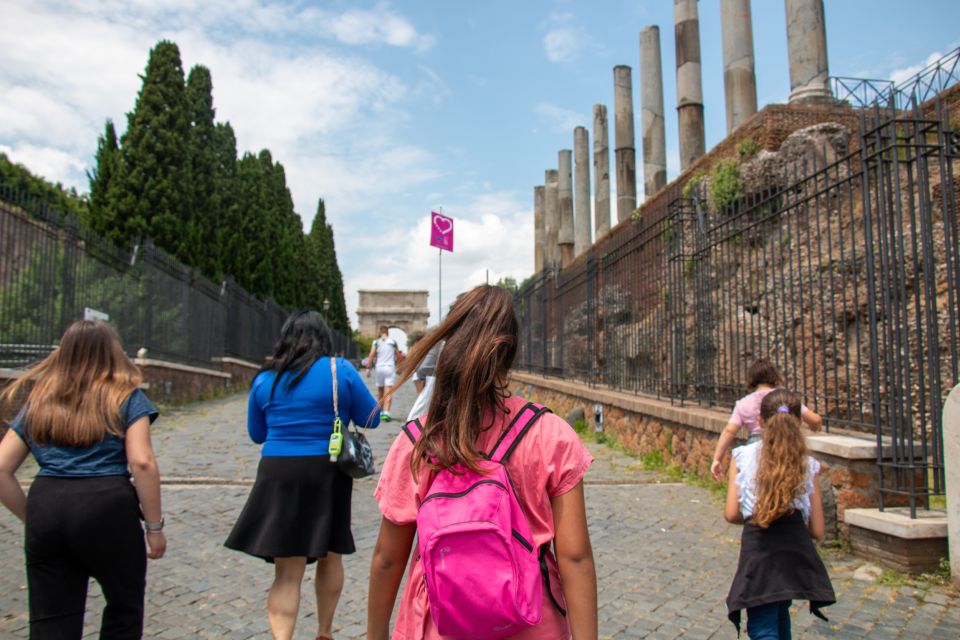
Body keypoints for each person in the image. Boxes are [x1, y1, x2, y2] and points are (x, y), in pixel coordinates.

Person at [366, 285, 598, 640]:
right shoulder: (552, 435)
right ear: (511, 353)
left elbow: (387, 558)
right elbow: (575, 557)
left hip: (435, 624)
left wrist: (375, 634)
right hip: (533, 623)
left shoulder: (417, 441)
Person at [0, 319, 166, 639]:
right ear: (112, 354)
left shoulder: (39, 401)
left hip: (47, 504)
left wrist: (30, 515)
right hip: (108, 508)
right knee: (123, 608)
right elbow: (142, 462)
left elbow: (2, 468)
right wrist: (154, 527)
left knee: (51, 619)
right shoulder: (127, 398)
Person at [225, 310, 380, 640]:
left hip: (278, 471)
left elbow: (257, 433)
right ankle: (324, 632)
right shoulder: (341, 371)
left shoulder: (266, 378)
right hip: (327, 469)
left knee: (287, 571)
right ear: (325, 339)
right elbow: (372, 417)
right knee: (330, 552)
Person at [724, 389, 835, 638]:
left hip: (759, 551)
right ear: (799, 422)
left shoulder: (742, 457)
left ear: (760, 422)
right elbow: (817, 530)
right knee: (780, 614)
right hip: (793, 551)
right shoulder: (808, 465)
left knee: (763, 624)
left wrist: (760, 512)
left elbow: (731, 513)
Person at [711, 358, 822, 481]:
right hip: (786, 445)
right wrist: (815, 425)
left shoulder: (743, 403)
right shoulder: (784, 398)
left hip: (755, 449)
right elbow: (814, 420)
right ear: (774, 376)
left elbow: (729, 431)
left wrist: (717, 458)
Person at [367, 325, 401, 422]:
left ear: (380, 332)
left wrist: (368, 368)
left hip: (379, 368)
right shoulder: (393, 342)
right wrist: (399, 366)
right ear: (387, 332)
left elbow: (371, 355)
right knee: (388, 391)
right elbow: (398, 355)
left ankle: (380, 411)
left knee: (380, 391)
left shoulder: (376, 342)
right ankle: (386, 412)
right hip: (389, 367)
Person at [405, 338, 442, 423]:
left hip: (433, 378)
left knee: (421, 404)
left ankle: (413, 432)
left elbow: (425, 366)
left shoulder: (439, 340)